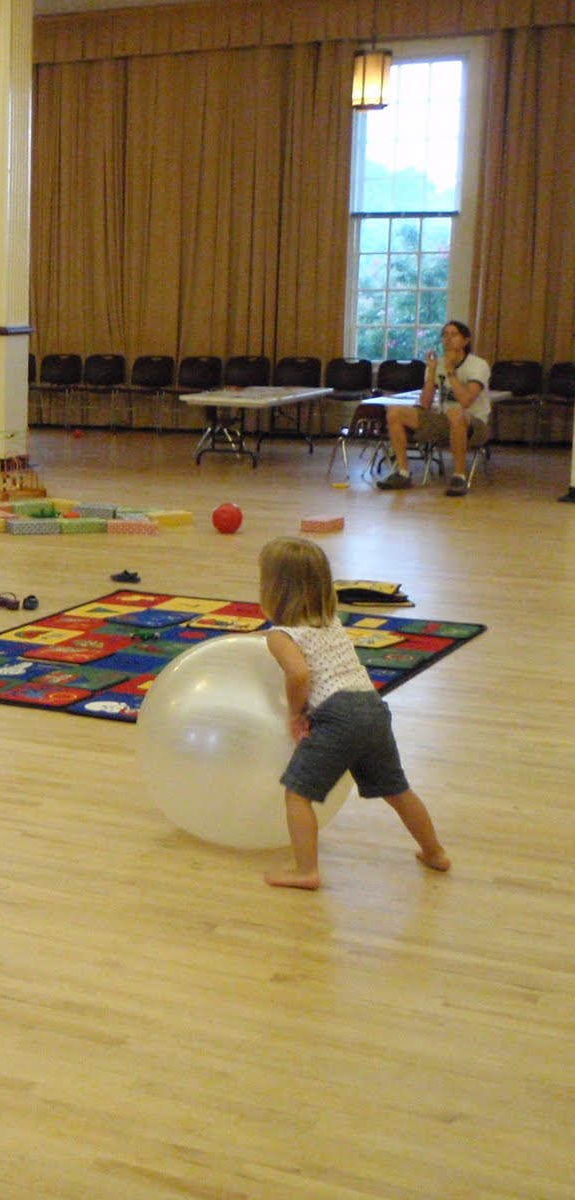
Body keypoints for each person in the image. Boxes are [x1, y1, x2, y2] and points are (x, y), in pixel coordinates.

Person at [257, 536, 451, 890]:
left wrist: (295, 714)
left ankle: (306, 871)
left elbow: (298, 674)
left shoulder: (281, 635)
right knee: (397, 789)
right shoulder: (330, 621)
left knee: (297, 794)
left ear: (272, 589)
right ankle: (435, 852)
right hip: (372, 707)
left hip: (337, 717)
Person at [377, 320, 491, 497]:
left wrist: (451, 371)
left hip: (474, 424)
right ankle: (402, 472)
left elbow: (466, 401)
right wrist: (431, 375)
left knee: (456, 413)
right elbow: (425, 404)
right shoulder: (438, 364)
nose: (448, 339)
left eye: (453, 335)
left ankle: (459, 476)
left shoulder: (478, 365)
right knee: (395, 411)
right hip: (444, 420)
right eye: (444, 335)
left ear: (465, 340)